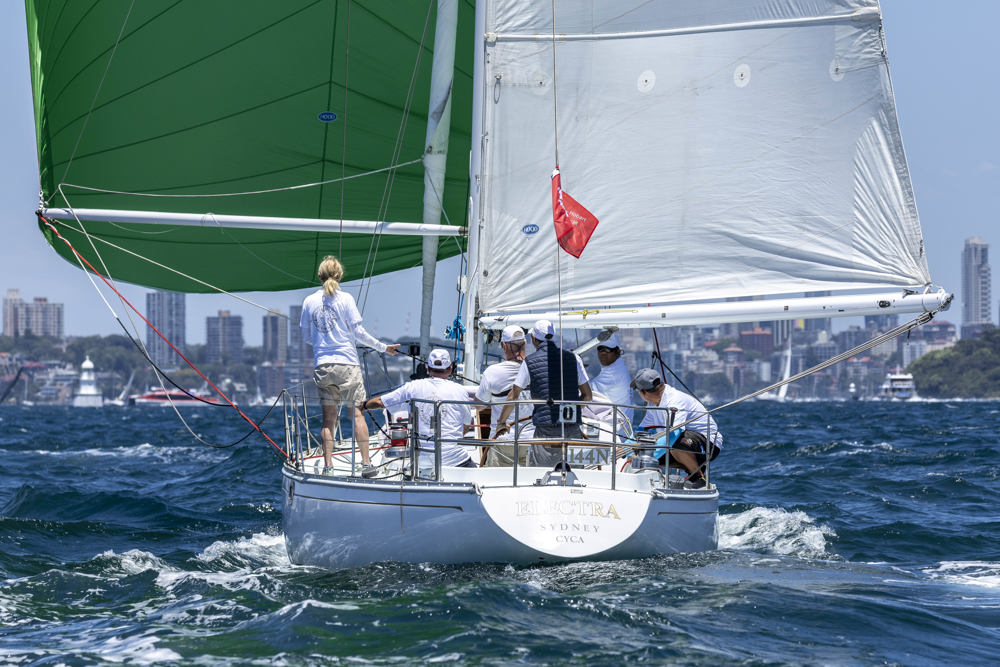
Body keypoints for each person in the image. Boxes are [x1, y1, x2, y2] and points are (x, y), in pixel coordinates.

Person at [300, 255, 399, 477]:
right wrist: (384, 348)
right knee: (357, 414)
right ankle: (365, 464)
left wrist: (322, 340)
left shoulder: (308, 302)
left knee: (328, 419)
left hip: (323, 365)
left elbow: (306, 337)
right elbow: (358, 334)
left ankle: (328, 466)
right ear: (340, 275)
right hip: (347, 364)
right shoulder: (345, 299)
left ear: (319, 276)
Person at [493, 319, 592, 467]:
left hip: (545, 433)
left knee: (541, 477)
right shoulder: (574, 358)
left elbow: (513, 396)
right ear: (553, 336)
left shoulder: (529, 362)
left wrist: (501, 423)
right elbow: (587, 397)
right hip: (573, 430)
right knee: (574, 476)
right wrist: (570, 410)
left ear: (533, 338)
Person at [363, 348, 476, 470]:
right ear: (450, 369)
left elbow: (380, 402)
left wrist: (362, 406)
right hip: (456, 460)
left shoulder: (413, 387)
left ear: (428, 369)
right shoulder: (460, 391)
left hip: (423, 463)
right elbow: (465, 428)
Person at [631, 368, 723, 488]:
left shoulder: (675, 400)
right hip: (684, 444)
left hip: (709, 445)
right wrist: (624, 450)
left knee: (673, 443)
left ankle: (698, 478)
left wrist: (648, 456)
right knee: (645, 449)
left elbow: (674, 435)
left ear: (643, 392)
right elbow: (642, 431)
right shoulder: (652, 404)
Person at [475, 325, 533, 466]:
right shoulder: (535, 367)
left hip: (502, 439)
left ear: (504, 345)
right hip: (531, 440)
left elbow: (479, 406)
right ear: (525, 344)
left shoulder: (492, 372)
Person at [587, 332, 634, 429]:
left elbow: (586, 390)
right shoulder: (615, 366)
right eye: (600, 349)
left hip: (617, 429)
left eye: (608, 349)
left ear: (617, 351)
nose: (603, 353)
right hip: (618, 424)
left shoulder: (614, 373)